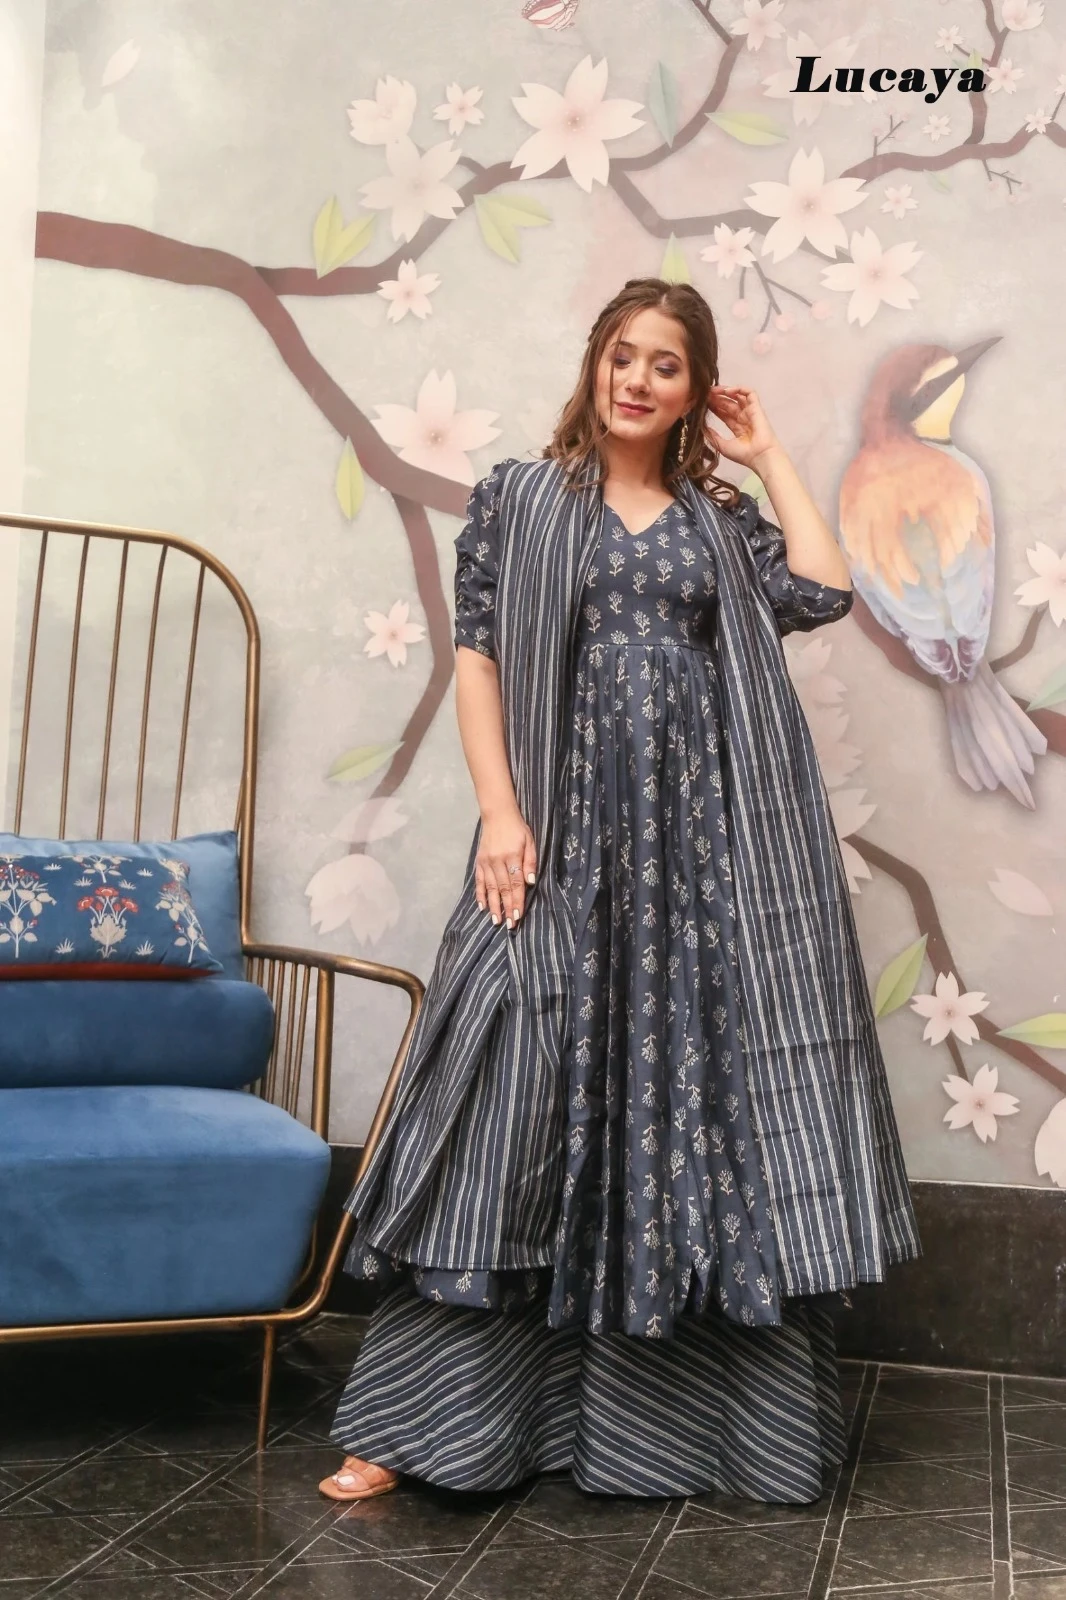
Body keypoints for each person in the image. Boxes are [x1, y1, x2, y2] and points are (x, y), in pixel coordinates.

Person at [318, 278, 921, 1504]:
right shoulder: (521, 499)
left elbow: (820, 588)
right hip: (562, 842)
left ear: (694, 391)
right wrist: (500, 811)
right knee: (510, 1103)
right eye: (623, 355)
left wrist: (767, 454)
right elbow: (479, 659)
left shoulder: (716, 518)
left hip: (701, 865)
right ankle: (419, 1427)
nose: (638, 379)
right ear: (594, 363)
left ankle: (706, 1434)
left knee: (697, 1113)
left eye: (666, 365)